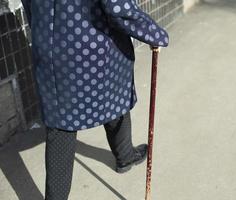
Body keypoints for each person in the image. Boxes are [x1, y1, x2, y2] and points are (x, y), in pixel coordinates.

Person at [21, 0, 169, 199]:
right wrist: (154, 34)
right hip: (96, 48)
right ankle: (125, 157)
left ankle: (125, 156)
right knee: (115, 97)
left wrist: (45, 31)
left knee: (61, 125)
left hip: (50, 49)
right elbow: (118, 8)